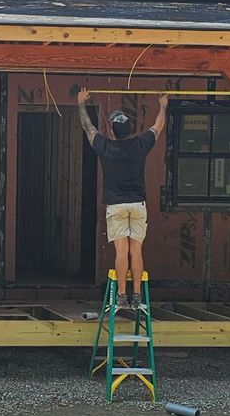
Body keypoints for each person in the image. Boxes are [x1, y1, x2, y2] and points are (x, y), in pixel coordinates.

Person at [72, 88, 169, 310]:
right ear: (129, 130)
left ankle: (122, 296)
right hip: (137, 204)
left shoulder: (106, 146)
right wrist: (163, 104)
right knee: (136, 250)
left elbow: (88, 127)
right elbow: (158, 126)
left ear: (113, 131)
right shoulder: (139, 145)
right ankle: (136, 295)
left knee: (121, 251)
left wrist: (80, 103)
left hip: (116, 204)